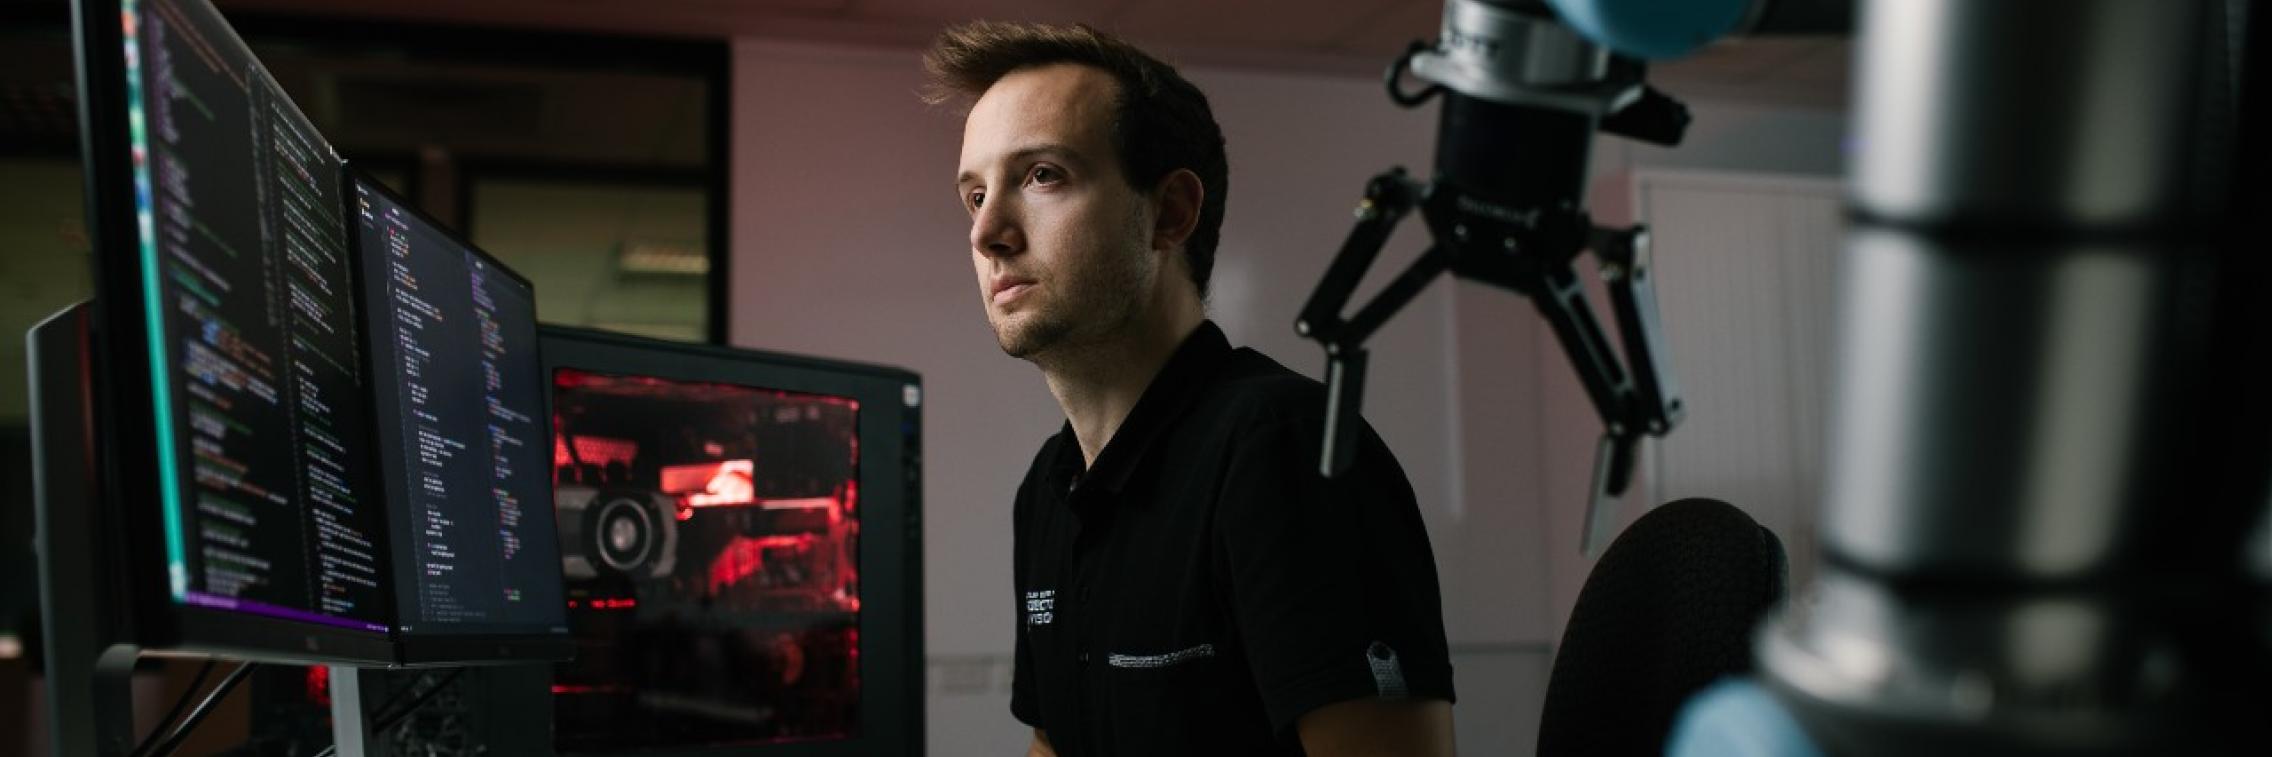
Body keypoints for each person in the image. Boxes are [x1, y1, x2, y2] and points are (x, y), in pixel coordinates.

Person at [925, 21, 1457, 757]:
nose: (987, 232)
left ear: (1170, 213)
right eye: (974, 194)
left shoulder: (1285, 449)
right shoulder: (1048, 489)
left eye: (1042, 175)